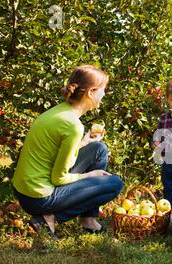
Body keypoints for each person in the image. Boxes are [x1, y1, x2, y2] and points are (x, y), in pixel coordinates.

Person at [12, 65, 123, 239]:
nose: (104, 94)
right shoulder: (73, 125)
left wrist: (84, 142)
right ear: (91, 92)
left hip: (24, 190)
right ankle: (48, 217)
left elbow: (52, 153)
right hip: (38, 197)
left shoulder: (60, 111)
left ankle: (88, 219)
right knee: (114, 184)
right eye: (103, 90)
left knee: (98, 149)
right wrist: (89, 175)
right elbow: (59, 178)